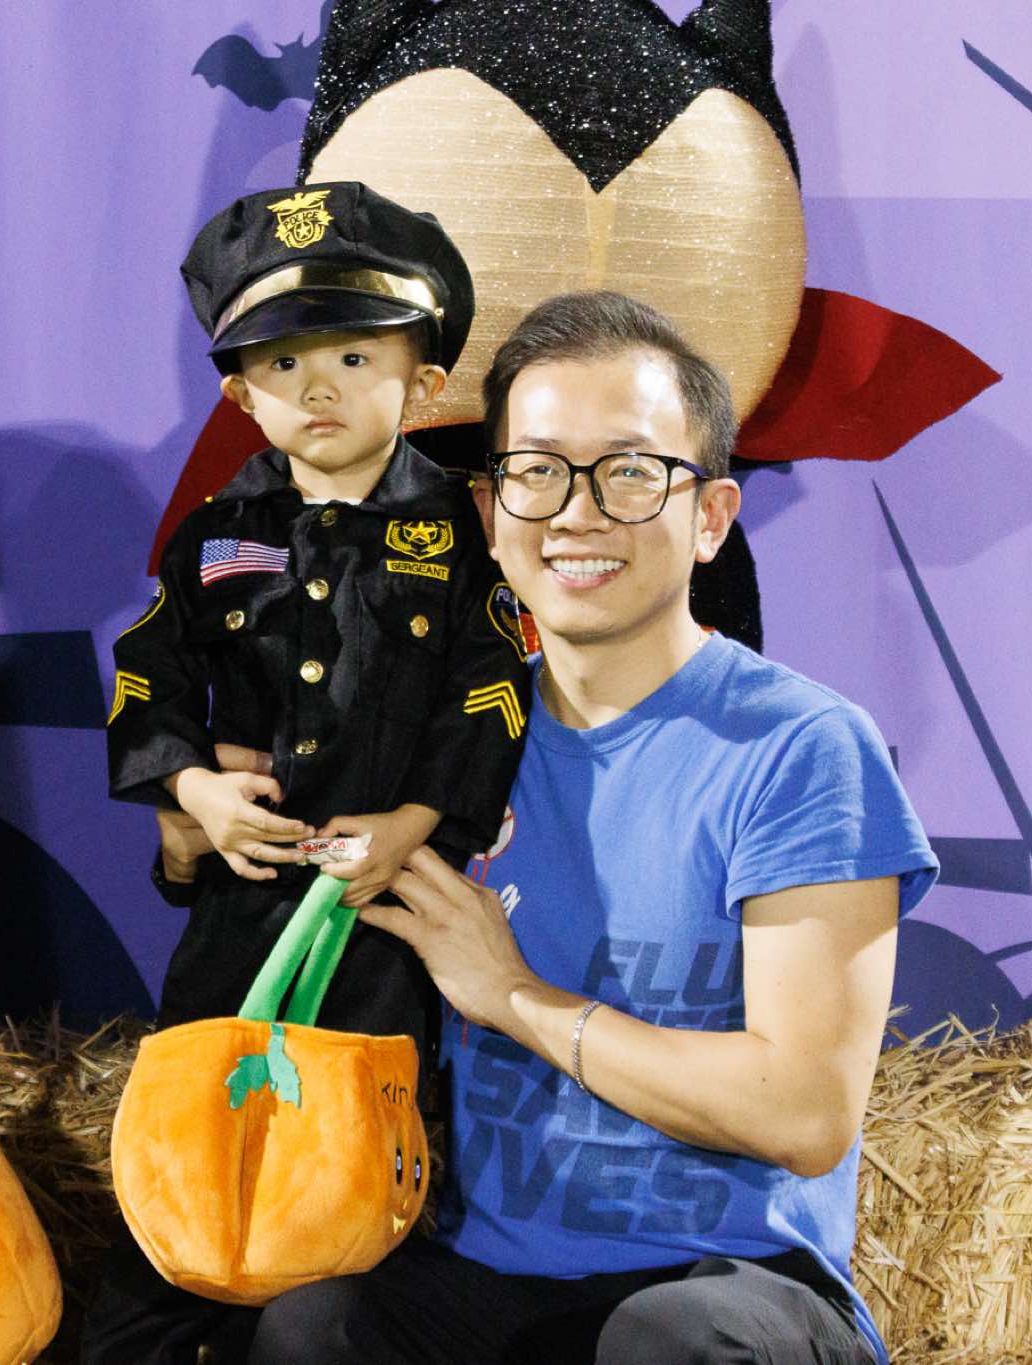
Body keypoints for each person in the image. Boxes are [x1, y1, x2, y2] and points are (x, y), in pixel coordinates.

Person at [245, 291, 937, 1364]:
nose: (575, 513)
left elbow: (803, 1114)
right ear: (489, 513)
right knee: (315, 1328)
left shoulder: (799, 748)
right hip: (493, 1285)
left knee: (672, 1343)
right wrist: (201, 812)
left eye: (629, 472)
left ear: (709, 517)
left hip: (730, 1285)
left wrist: (514, 997)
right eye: (537, 471)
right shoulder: (444, 747)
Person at [86, 182, 530, 1362]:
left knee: (354, 1165)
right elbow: (145, 679)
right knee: (196, 1143)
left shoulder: (466, 533)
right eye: (281, 363)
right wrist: (193, 794)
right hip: (240, 905)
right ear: (239, 394)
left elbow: (490, 691)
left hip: (385, 918)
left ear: (422, 382)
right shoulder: (209, 537)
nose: (315, 387)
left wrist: (417, 821)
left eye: (351, 355)